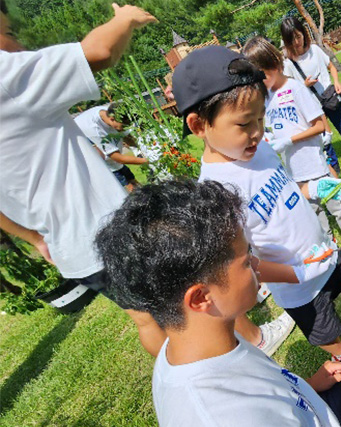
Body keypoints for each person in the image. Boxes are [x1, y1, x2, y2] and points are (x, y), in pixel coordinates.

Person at [0, 2, 292, 359]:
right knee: (199, 281)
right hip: (110, 223)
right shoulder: (5, 77)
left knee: (148, 317)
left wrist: (34, 238)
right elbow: (99, 52)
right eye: (10, 35)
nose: (19, 48)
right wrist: (124, 19)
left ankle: (189, 369)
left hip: (71, 249)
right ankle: (256, 341)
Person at [95, 179, 341, 427]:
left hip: (315, 409)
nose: (257, 265)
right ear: (201, 297)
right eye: (245, 258)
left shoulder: (200, 340)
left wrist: (309, 385)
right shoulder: (222, 416)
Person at [172, 45, 341, 360]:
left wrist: (311, 190)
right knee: (324, 328)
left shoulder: (256, 148)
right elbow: (245, 263)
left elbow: (283, 189)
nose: (257, 132)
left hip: (321, 248)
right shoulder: (217, 195)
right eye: (244, 124)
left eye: (261, 119)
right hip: (295, 282)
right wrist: (297, 273)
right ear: (199, 126)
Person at [242, 37, 341, 257]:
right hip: (293, 167)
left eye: (263, 76)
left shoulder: (295, 88)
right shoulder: (267, 98)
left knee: (334, 201)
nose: (261, 83)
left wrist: (290, 140)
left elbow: (318, 125)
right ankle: (328, 241)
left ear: (276, 65)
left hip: (313, 160)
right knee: (313, 208)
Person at [281, 17, 341, 173]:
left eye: (298, 36)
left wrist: (337, 81)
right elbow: (290, 88)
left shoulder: (315, 50)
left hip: (330, 98)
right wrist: (304, 85)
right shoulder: (289, 63)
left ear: (304, 34)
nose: (297, 42)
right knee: (325, 137)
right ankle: (334, 166)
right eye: (292, 40)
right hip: (312, 106)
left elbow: (331, 66)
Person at [74, 103, 147, 192]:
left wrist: (144, 149)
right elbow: (119, 158)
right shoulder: (95, 129)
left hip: (114, 162)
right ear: (112, 119)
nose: (125, 128)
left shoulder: (112, 113)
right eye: (123, 126)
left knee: (133, 181)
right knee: (128, 189)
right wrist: (147, 160)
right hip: (97, 163)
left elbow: (127, 137)